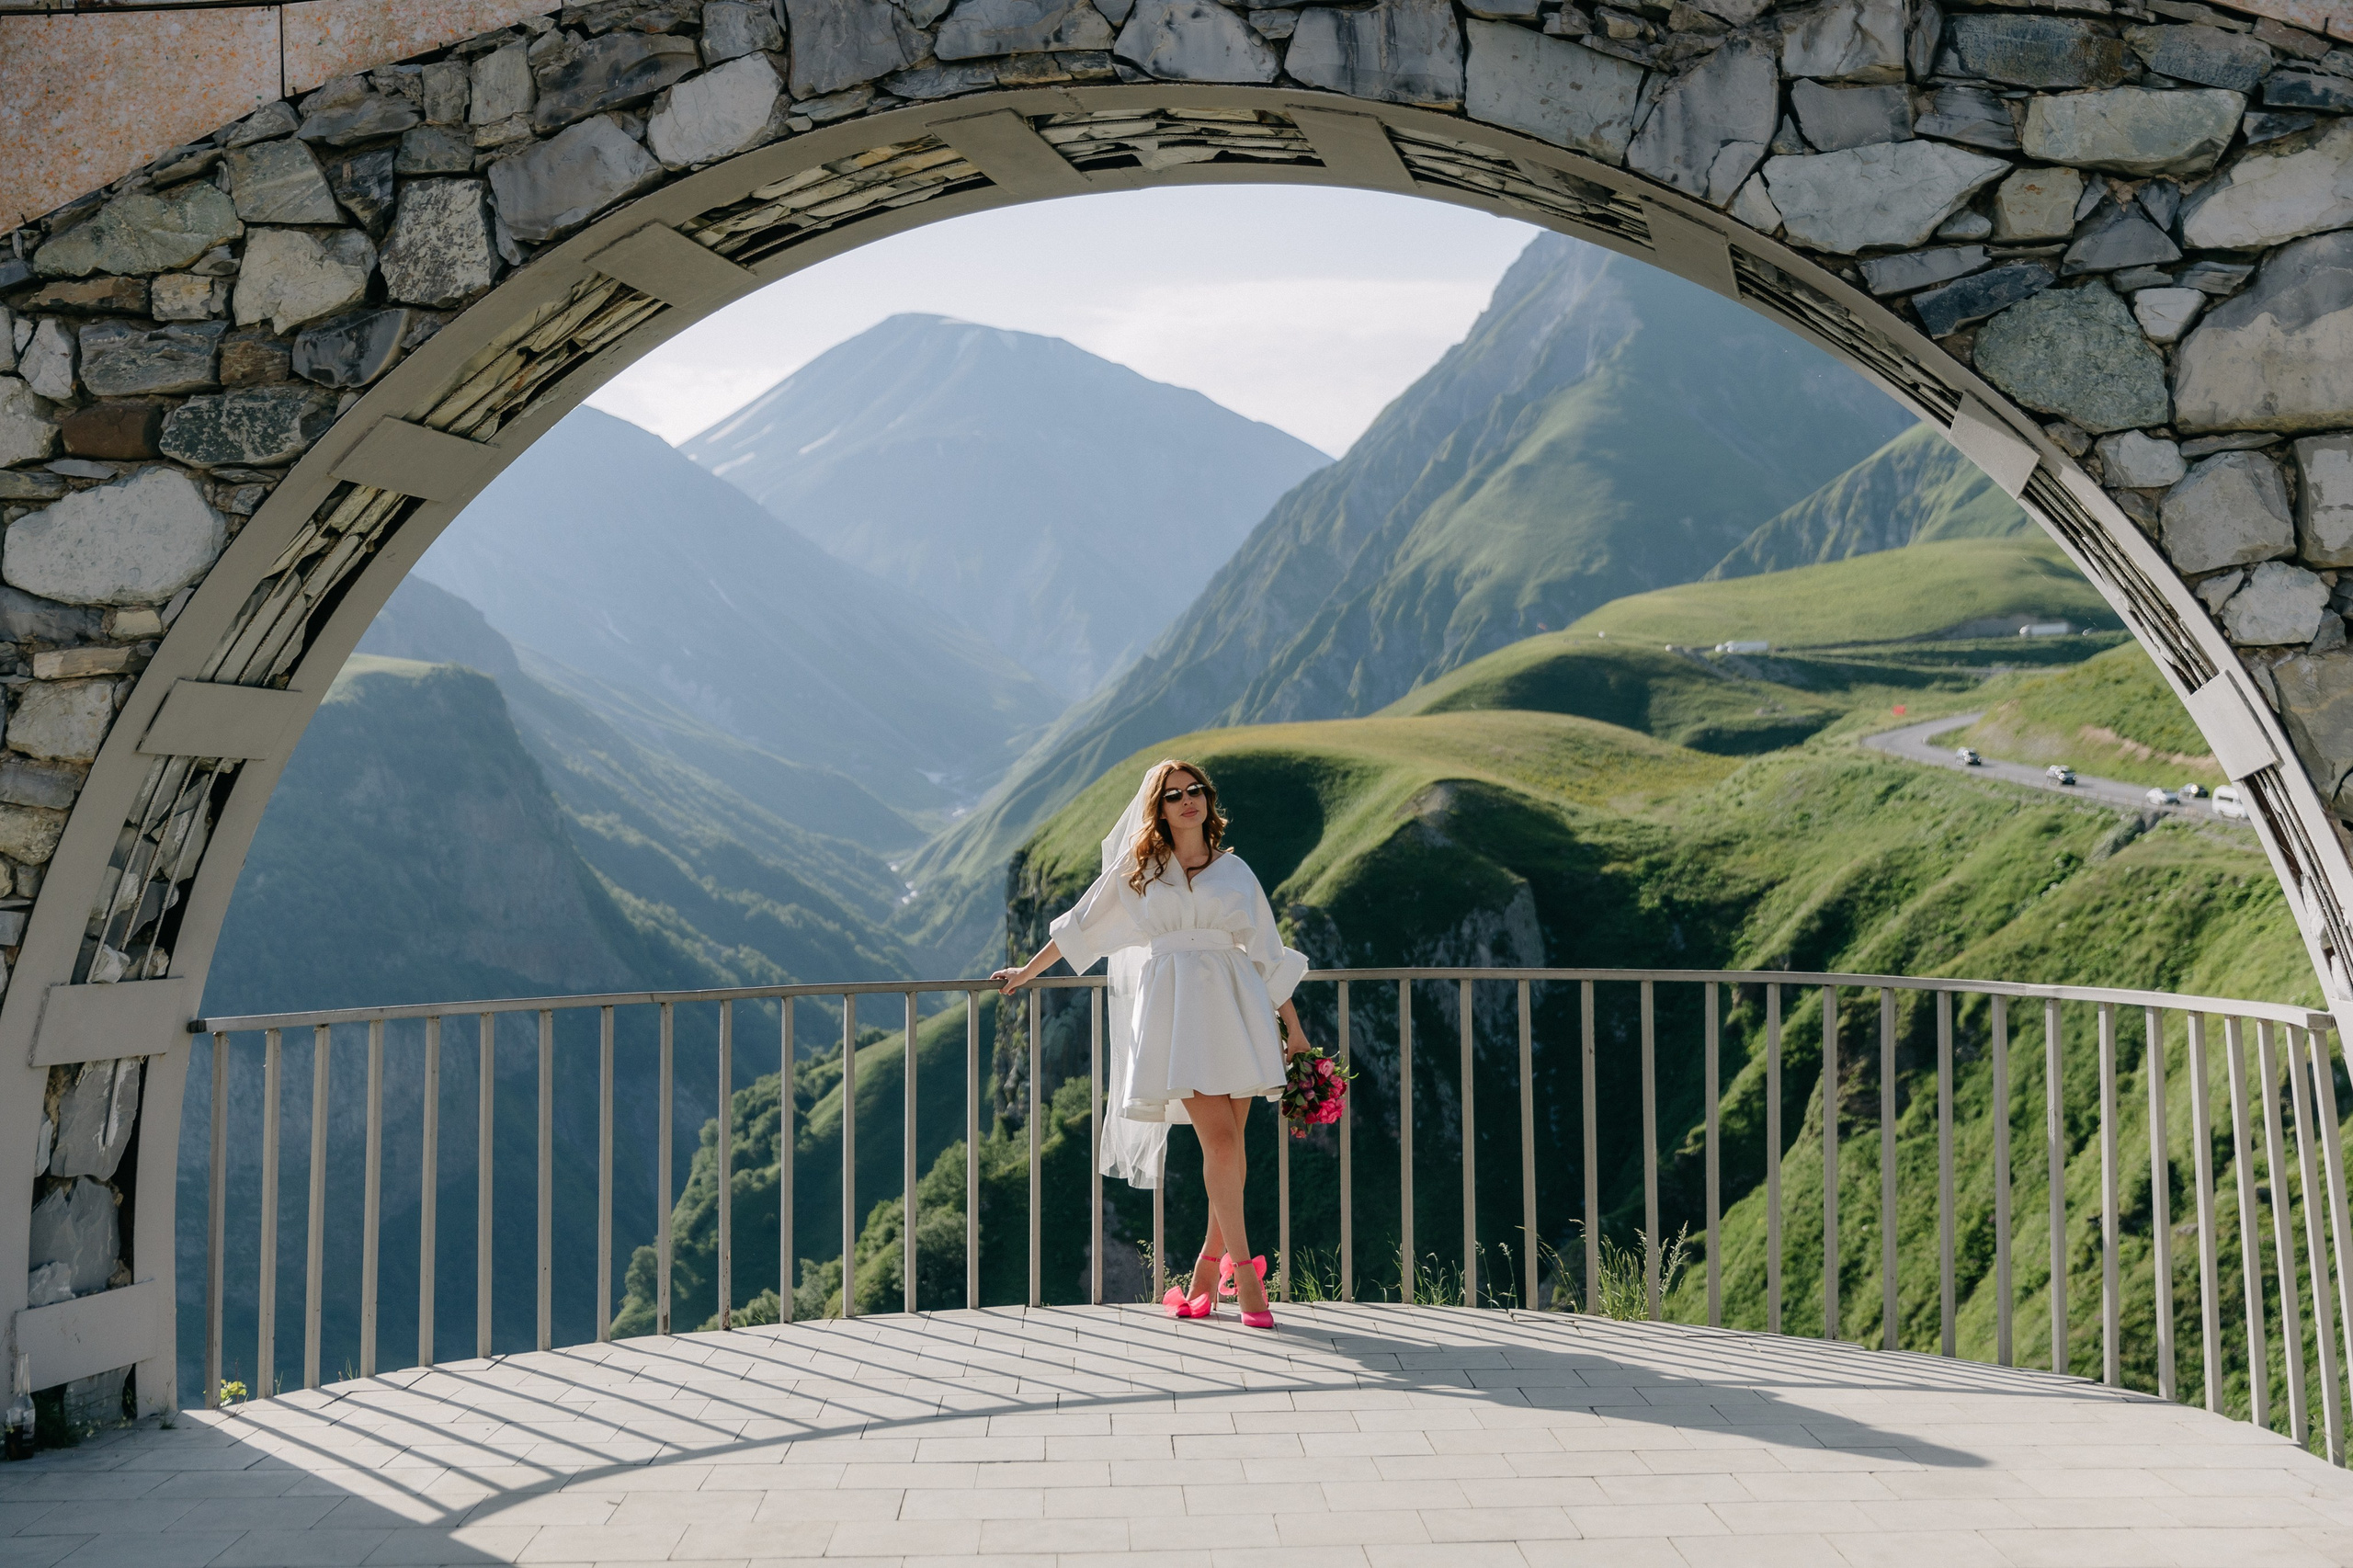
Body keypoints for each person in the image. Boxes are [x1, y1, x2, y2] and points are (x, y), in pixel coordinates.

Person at [993, 758, 1308, 1328]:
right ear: (1157, 808)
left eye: (1196, 790)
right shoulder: (1139, 870)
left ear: (1208, 800)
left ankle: (1206, 1275)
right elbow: (1081, 924)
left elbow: (1267, 953)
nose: (1188, 800)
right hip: (1175, 1015)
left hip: (1238, 1008)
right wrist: (1027, 972)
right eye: (1173, 794)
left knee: (1231, 1149)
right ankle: (1247, 1275)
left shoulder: (1235, 871)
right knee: (1219, 1142)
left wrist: (1296, 1032)